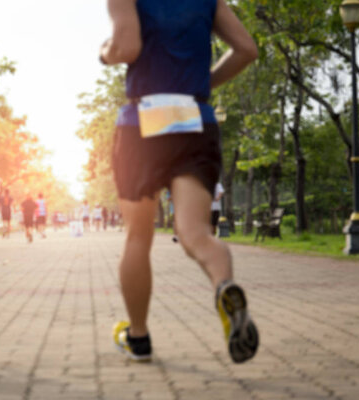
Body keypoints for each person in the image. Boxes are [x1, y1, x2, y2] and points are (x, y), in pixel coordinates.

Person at [102, 0, 259, 363]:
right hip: (194, 115)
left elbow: (126, 49)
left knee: (138, 236)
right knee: (196, 233)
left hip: (142, 121)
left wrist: (104, 53)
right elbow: (247, 50)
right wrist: (204, 82)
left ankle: (138, 338)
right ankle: (225, 287)